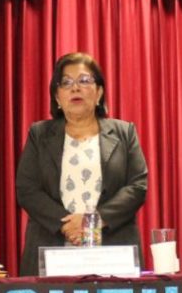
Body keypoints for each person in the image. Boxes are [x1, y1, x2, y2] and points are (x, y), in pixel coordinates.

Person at [15, 52, 148, 276]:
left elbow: (137, 186)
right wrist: (68, 225)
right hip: (52, 250)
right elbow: (27, 189)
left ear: (99, 93)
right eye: (66, 83)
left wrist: (93, 222)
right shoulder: (39, 134)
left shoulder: (124, 133)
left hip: (113, 250)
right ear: (57, 97)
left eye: (84, 80)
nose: (75, 88)